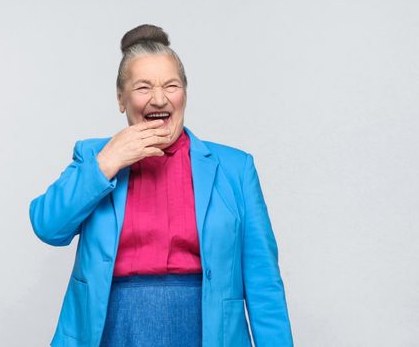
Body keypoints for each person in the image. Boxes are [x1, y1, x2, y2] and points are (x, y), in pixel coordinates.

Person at [29, 24, 293, 347]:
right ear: (121, 99)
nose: (159, 98)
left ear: (184, 93)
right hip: (113, 332)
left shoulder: (236, 169)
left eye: (171, 85)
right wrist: (106, 164)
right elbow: (47, 226)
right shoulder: (95, 157)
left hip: (207, 333)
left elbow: (264, 284)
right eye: (143, 88)